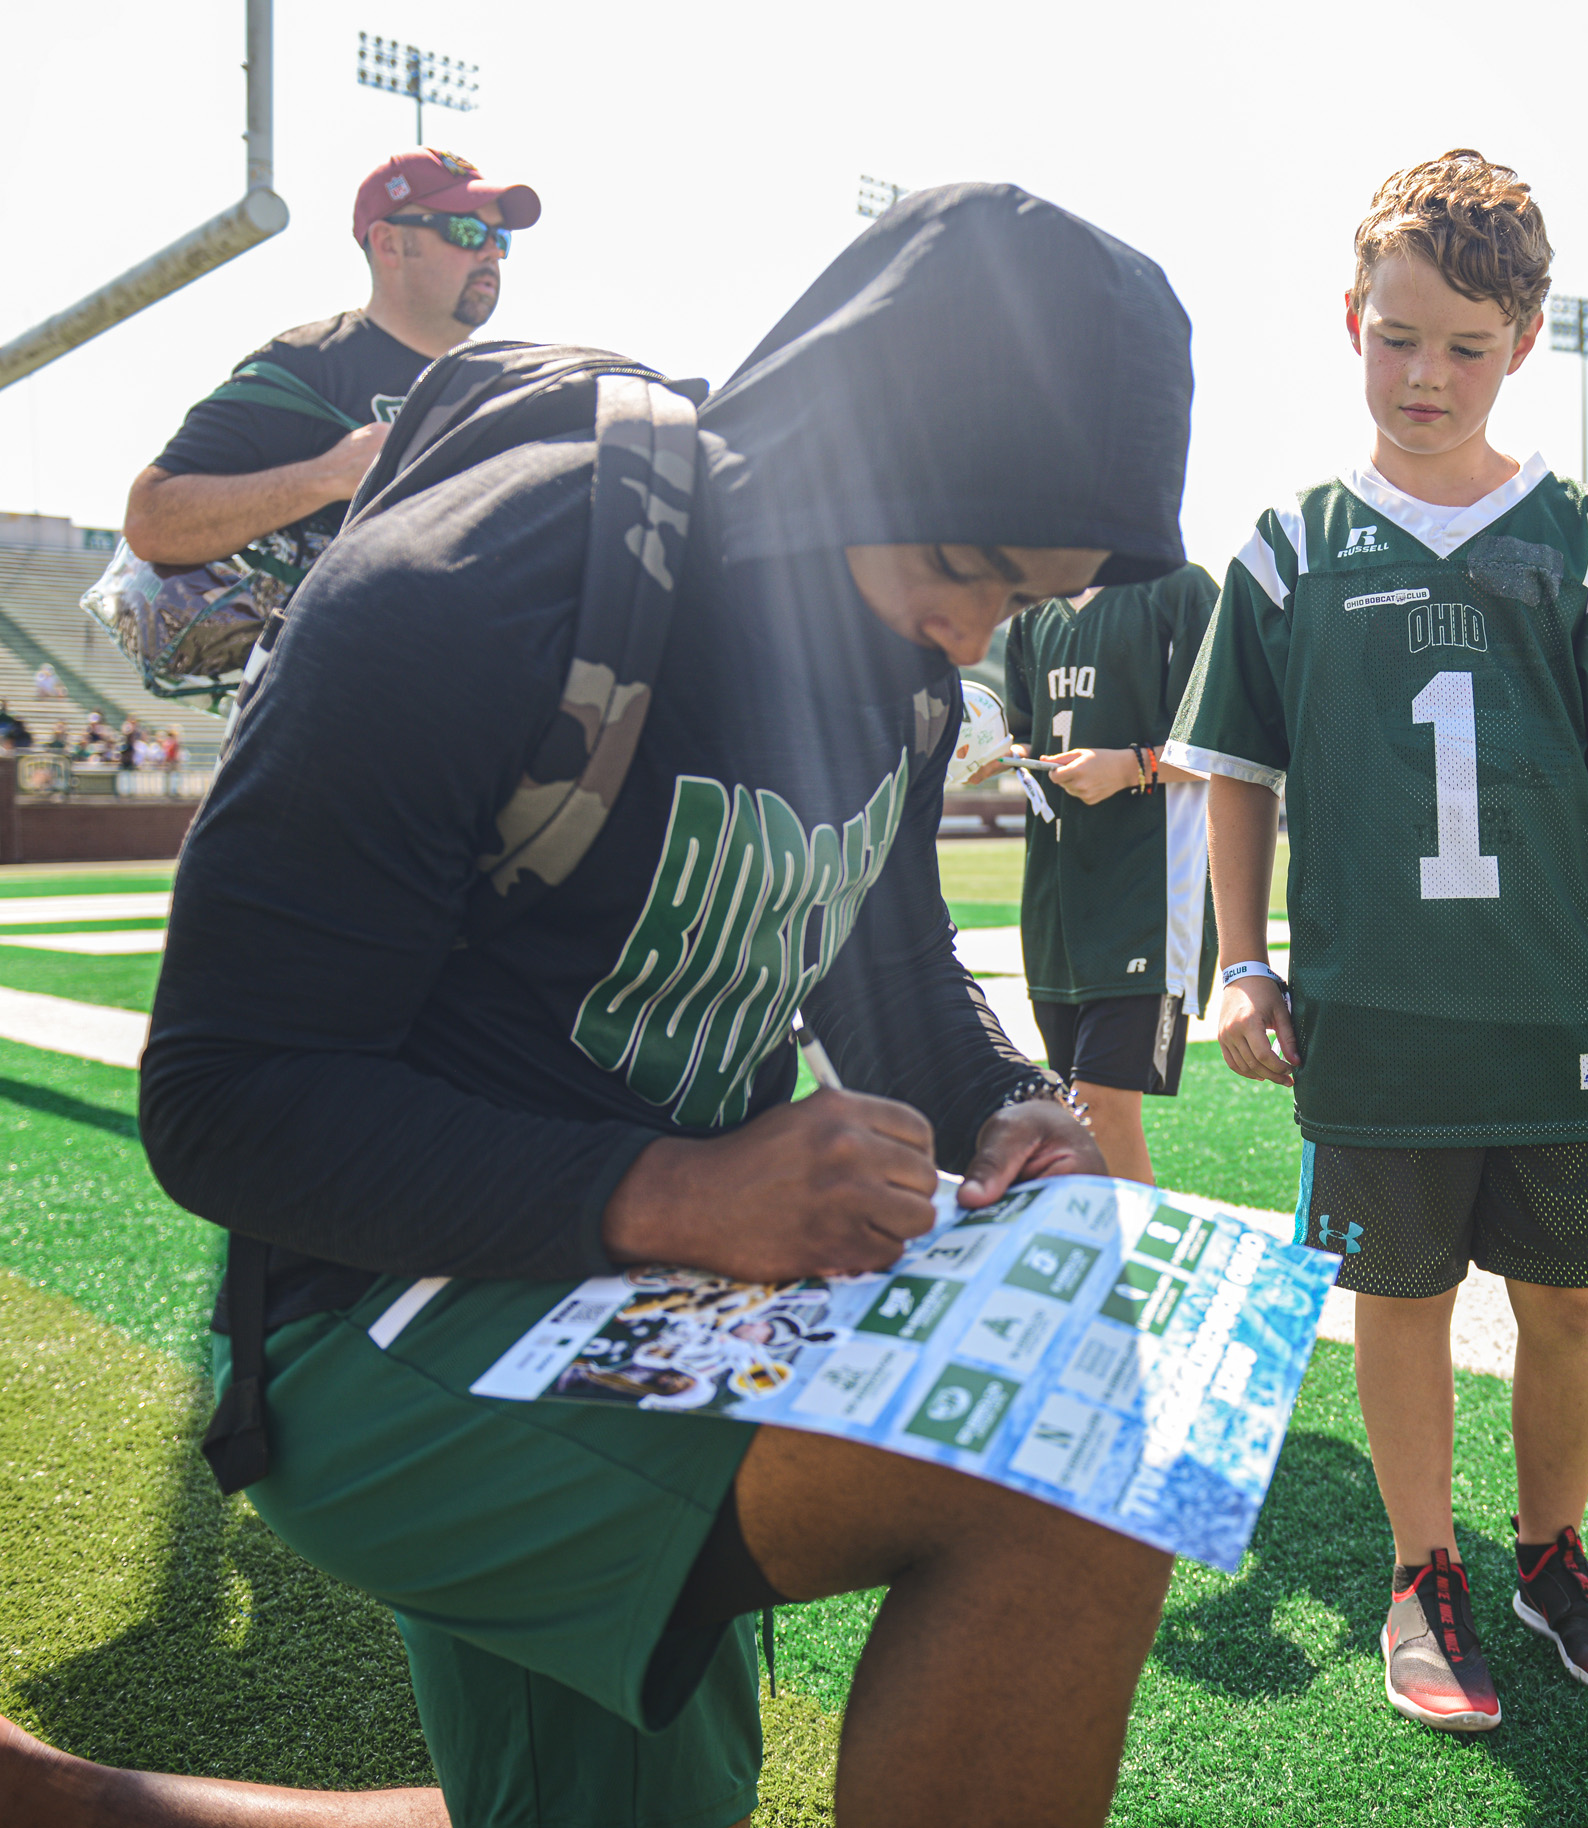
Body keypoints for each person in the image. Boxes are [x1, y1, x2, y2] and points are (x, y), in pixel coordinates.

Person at [5, 184, 1195, 1828]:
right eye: (963, 562)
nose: (972, 630)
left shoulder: (901, 661)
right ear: (858, 436)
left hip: (641, 1291)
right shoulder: (475, 588)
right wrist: (677, 1186)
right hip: (386, 1316)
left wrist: (1009, 1102)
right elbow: (224, 1095)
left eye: (1029, 595)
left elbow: (892, 959)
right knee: (1064, 1467)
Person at [1167, 150, 1588, 1734]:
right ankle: (1426, 1570)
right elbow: (1238, 779)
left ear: (1526, 342)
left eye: (1466, 348)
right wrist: (1241, 963)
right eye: (1398, 336)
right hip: (1370, 1014)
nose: (1427, 376)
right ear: (1349, 319)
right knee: (1400, 1303)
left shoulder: (1585, 537)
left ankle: (1551, 1553)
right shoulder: (1287, 546)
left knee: (1567, 1301)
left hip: (1548, 1008)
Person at [121, 148, 540, 580]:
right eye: (466, 230)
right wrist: (325, 477)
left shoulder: (514, 388)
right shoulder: (308, 368)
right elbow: (149, 521)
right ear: (389, 243)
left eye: (500, 236)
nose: (493, 252)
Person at [968, 565, 1219, 1182]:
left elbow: (1230, 737)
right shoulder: (1034, 610)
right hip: (1056, 893)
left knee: (1103, 1107)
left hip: (1149, 891)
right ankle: (1103, 1268)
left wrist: (1132, 765)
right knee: (1074, 1112)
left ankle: (1135, 1278)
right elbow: (1030, 738)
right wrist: (995, 756)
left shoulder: (1180, 589)